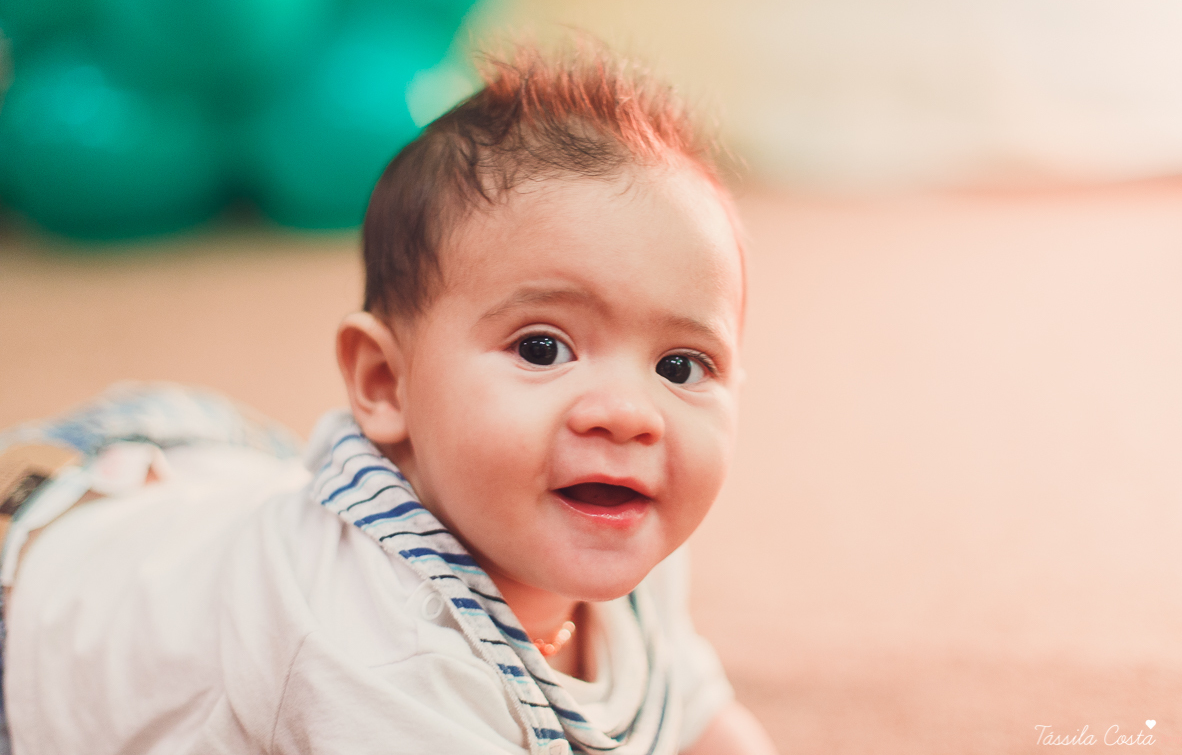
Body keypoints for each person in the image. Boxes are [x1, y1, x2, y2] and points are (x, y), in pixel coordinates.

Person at [0, 41, 778, 755]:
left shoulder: (624, 532)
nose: (629, 413)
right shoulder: (375, 650)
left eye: (680, 366)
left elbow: (701, 721)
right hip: (40, 612)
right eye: (543, 348)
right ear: (383, 382)